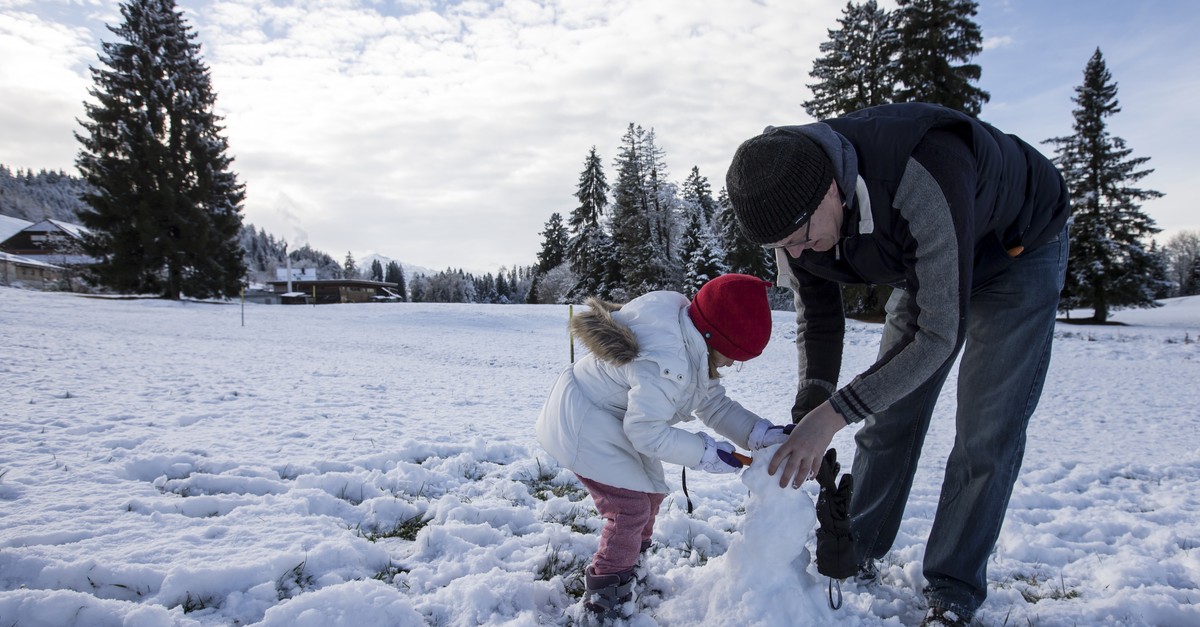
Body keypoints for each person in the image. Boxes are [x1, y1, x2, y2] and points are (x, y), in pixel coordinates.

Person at [724, 102, 1071, 626]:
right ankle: (855, 545)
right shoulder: (790, 222)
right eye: (781, 247)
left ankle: (953, 587)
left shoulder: (920, 172)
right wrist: (812, 408)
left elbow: (936, 336)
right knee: (889, 411)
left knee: (986, 430)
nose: (796, 253)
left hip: (1017, 249)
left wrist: (834, 416)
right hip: (926, 265)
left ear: (831, 189)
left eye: (799, 236)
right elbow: (818, 320)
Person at [536, 273, 793, 621]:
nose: (733, 364)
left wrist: (759, 434)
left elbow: (714, 405)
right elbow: (646, 433)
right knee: (629, 510)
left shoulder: (691, 346)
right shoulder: (664, 361)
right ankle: (605, 602)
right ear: (714, 335)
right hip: (584, 424)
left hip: (616, 421)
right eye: (734, 355)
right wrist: (703, 453)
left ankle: (631, 574)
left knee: (651, 495)